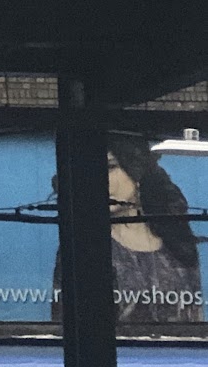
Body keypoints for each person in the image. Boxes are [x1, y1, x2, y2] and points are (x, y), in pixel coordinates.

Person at [51, 138, 202, 326]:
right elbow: (67, 323)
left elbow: (196, 316)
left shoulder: (177, 241)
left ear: (136, 170)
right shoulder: (83, 248)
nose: (100, 181)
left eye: (110, 167)